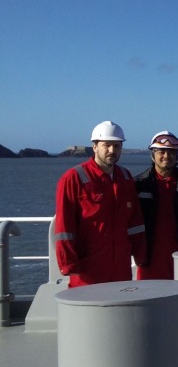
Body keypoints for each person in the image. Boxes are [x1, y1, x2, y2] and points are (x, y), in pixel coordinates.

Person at [54, 121, 147, 287]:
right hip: (88, 269)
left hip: (120, 267)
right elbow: (64, 227)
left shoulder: (125, 177)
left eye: (117, 146)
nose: (112, 151)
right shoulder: (73, 178)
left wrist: (140, 254)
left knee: (120, 310)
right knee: (89, 312)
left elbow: (135, 222)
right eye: (107, 145)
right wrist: (68, 263)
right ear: (95, 147)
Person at [134, 130, 178, 280]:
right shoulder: (138, 185)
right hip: (148, 257)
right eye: (161, 152)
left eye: (171, 152)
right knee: (149, 297)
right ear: (153, 154)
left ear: (177, 156)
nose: (166, 156)